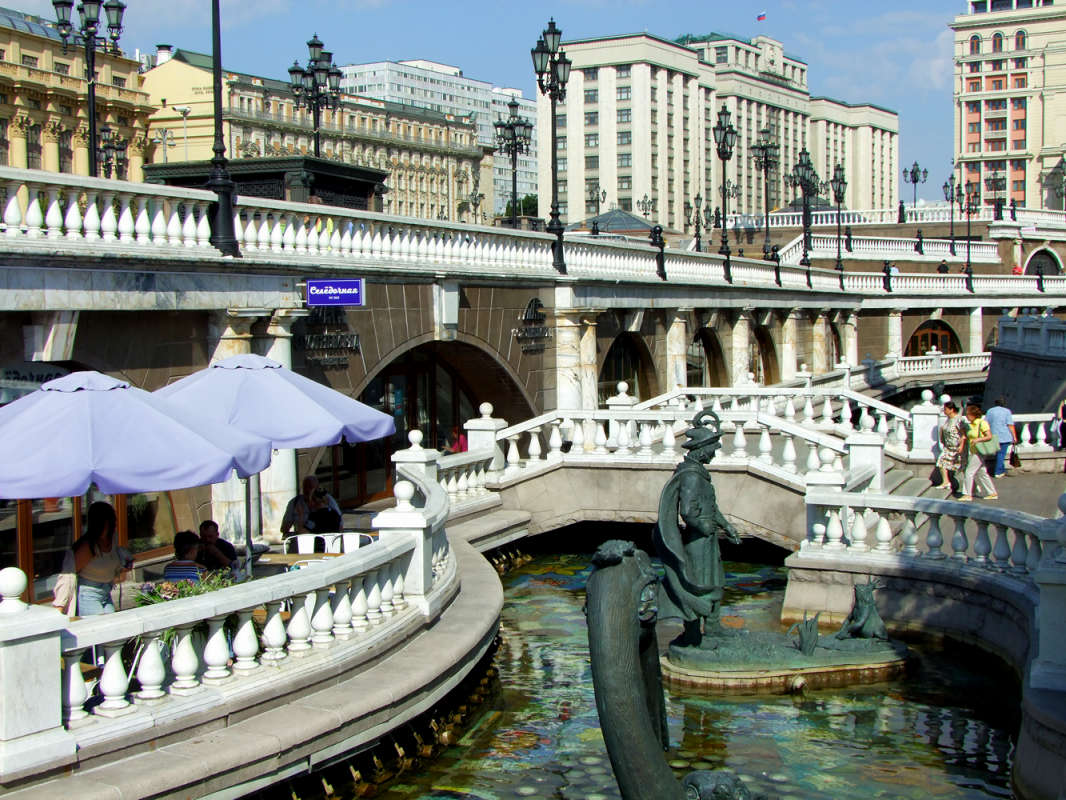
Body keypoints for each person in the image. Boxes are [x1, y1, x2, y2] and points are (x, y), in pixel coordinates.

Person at [652, 410, 740, 649]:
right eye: (712, 449)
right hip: (698, 541)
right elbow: (688, 511)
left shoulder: (700, 474)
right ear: (702, 449)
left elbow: (712, 507)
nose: (714, 453)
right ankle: (691, 632)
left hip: (708, 539)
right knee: (696, 584)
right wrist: (703, 525)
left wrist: (726, 526)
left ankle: (713, 626)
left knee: (715, 580)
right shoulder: (691, 476)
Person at [72, 501, 132, 615]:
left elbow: (110, 564)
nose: (114, 522)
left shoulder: (112, 537)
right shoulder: (87, 546)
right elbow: (71, 572)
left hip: (106, 590)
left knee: (112, 623)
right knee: (101, 625)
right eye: (111, 519)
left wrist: (123, 567)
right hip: (89, 593)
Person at [960, 403, 998, 502]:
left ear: (973, 414)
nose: (966, 416)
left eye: (968, 414)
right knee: (982, 473)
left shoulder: (982, 423)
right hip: (974, 450)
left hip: (979, 451)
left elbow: (989, 436)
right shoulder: (971, 425)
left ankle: (967, 494)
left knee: (969, 472)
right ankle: (992, 493)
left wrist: (978, 440)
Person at [936, 401, 967, 493]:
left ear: (951, 409)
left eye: (945, 409)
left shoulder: (958, 420)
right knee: (941, 462)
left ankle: (971, 486)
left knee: (961, 468)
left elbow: (963, 435)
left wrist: (961, 446)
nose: (944, 411)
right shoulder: (948, 419)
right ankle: (945, 482)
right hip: (948, 447)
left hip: (957, 447)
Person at [984, 396, 1017, 478]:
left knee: (998, 454)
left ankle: (1001, 470)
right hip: (1004, 435)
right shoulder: (1007, 411)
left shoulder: (990, 411)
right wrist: (1014, 437)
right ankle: (998, 471)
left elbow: (985, 423)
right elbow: (1010, 425)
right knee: (1001, 454)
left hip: (993, 435)